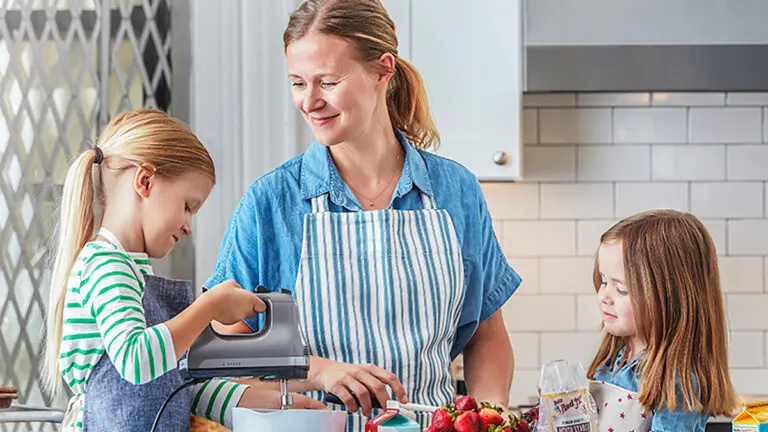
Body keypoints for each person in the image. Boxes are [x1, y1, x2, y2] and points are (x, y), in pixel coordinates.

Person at [205, 0, 522, 429]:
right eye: (297, 83)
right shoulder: (272, 203)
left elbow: (486, 335)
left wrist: (493, 415)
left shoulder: (455, 192)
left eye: (328, 82)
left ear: (382, 70)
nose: (309, 101)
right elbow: (215, 349)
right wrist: (314, 369)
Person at [43, 109, 325, 431]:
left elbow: (178, 387)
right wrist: (210, 307)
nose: (189, 226)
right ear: (145, 181)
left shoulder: (132, 272)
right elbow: (136, 360)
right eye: (187, 206)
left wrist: (276, 403)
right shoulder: (107, 265)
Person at [588, 210, 740, 431]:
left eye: (621, 290)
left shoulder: (677, 384)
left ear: (669, 298)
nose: (604, 296)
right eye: (603, 282)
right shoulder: (615, 359)